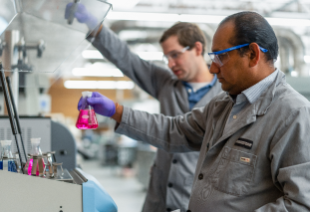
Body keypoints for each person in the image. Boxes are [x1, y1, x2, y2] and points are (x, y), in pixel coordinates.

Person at [78, 11, 310, 212]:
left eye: (221, 56)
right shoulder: (223, 105)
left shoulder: (293, 114)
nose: (212, 67)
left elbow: (301, 204)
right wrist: (116, 111)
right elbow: (174, 130)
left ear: (252, 54)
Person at [66, 4, 222, 212]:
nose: (170, 64)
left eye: (175, 55)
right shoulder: (166, 83)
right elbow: (127, 59)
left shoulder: (225, 95)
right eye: (166, 57)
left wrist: (117, 111)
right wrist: (95, 25)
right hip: (158, 196)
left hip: (196, 199)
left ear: (198, 48)